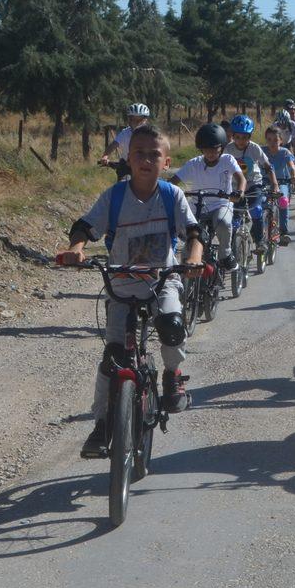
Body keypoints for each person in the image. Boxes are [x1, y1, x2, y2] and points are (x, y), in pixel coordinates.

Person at [59, 124, 204, 455]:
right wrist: (76, 248)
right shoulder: (114, 197)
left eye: (154, 155)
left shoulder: (171, 196)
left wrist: (194, 258)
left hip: (161, 281)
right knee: (112, 358)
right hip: (121, 284)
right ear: (128, 159)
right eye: (139, 153)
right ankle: (102, 423)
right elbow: (84, 226)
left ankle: (172, 374)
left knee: (172, 326)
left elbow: (194, 233)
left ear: (166, 162)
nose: (146, 160)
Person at [171, 122, 246, 271]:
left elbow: (241, 179)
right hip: (197, 206)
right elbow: (173, 182)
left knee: (223, 222)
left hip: (221, 204)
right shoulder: (194, 164)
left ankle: (225, 254)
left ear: (222, 148)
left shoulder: (228, 160)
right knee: (186, 231)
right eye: (206, 149)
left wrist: (239, 192)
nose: (210, 153)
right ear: (201, 149)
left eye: (214, 149)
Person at [225, 114, 280, 247]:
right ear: (233, 136)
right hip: (235, 186)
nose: (241, 141)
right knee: (233, 217)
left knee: (256, 209)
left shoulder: (254, 148)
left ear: (249, 137)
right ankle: (232, 247)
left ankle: (260, 241)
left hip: (253, 184)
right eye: (237, 137)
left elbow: (267, 166)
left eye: (244, 137)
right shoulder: (228, 149)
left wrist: (274, 184)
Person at [263, 125, 295, 245]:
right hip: (264, 182)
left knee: (283, 201)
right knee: (260, 201)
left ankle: (283, 231)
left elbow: (292, 166)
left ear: (281, 141)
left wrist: (294, 175)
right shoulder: (262, 151)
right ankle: (258, 229)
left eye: (275, 140)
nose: (272, 143)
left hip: (282, 182)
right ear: (266, 140)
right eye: (269, 139)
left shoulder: (285, 152)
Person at [99, 103, 151, 176]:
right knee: (123, 181)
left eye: (140, 120)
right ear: (129, 120)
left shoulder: (151, 134)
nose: (137, 123)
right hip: (126, 166)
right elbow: (114, 144)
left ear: (145, 120)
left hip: (145, 165)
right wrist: (105, 156)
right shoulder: (125, 133)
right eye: (134, 120)